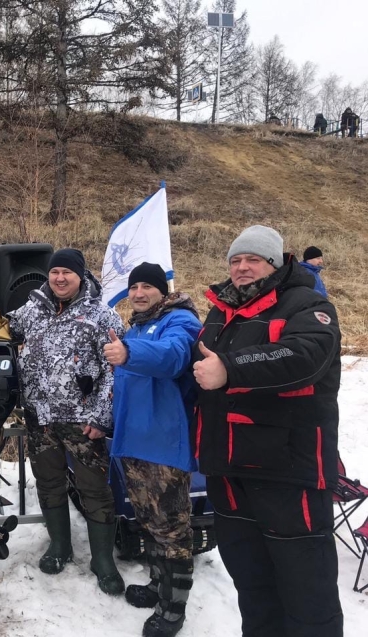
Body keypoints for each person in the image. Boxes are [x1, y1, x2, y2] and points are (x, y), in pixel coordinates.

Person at [192, 225, 343, 637]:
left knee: (307, 595)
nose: (241, 268)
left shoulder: (307, 304)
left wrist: (230, 368)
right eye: (235, 260)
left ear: (274, 264)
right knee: (253, 587)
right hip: (227, 471)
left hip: (287, 474)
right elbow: (196, 367)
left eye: (252, 260)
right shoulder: (220, 311)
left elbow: (305, 354)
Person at [7, 248, 125, 595]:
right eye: (54, 272)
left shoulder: (103, 316)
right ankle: (60, 547)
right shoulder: (31, 310)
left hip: (83, 420)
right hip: (40, 417)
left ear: (80, 276)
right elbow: (1, 330)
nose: (59, 278)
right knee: (49, 482)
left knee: (94, 489)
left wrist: (102, 417)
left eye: (67, 273)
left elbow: (114, 371)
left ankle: (103, 560)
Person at [103, 263, 201, 637]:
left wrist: (128, 352)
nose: (139, 292)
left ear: (164, 290)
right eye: (134, 287)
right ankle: (158, 585)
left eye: (147, 286)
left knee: (172, 529)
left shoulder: (181, 321)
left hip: (164, 444)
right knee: (149, 520)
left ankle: (174, 608)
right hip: (133, 441)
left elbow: (173, 357)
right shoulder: (138, 325)